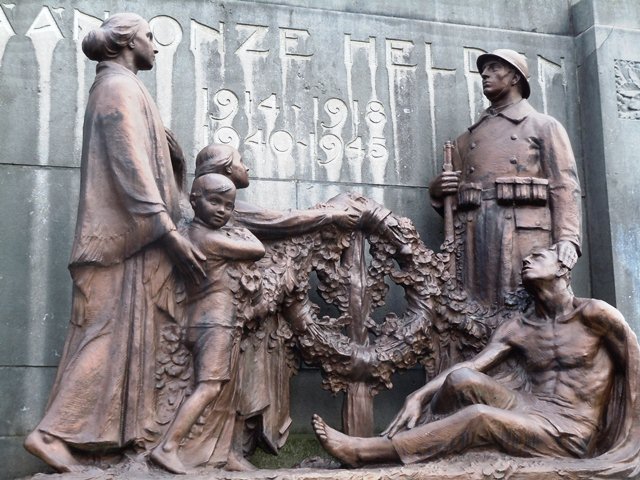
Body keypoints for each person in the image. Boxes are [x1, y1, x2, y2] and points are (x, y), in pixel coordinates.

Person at [24, 13, 205, 473]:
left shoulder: (126, 86)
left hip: (134, 244)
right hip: (116, 246)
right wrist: (168, 231)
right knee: (101, 337)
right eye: (149, 37)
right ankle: (50, 434)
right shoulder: (117, 88)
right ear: (127, 43)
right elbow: (130, 167)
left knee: (122, 340)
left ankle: (111, 442)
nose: (155, 46)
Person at [313, 245, 640, 470]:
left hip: (569, 430)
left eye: (538, 256)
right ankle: (428, 448)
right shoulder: (520, 327)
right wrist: (419, 395)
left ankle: (367, 452)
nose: (527, 261)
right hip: (529, 407)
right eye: (526, 257)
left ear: (563, 269)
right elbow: (471, 366)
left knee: (480, 416)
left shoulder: (595, 315)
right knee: (461, 379)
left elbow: (635, 366)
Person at [429, 49, 582, 307]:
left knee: (526, 308)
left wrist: (567, 239)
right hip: (477, 235)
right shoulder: (466, 140)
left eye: (494, 68)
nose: (485, 74)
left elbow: (564, 186)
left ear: (515, 77)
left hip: (525, 233)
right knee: (478, 310)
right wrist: (438, 191)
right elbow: (453, 203)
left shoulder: (543, 126)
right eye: (483, 70)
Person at [151, 174, 265, 474]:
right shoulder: (209, 239)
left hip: (198, 319)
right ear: (194, 200)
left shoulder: (187, 233)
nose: (222, 211)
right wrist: (241, 230)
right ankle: (168, 447)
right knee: (209, 387)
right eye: (215, 202)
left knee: (211, 387)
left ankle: (210, 451)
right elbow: (257, 250)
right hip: (216, 322)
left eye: (229, 206)